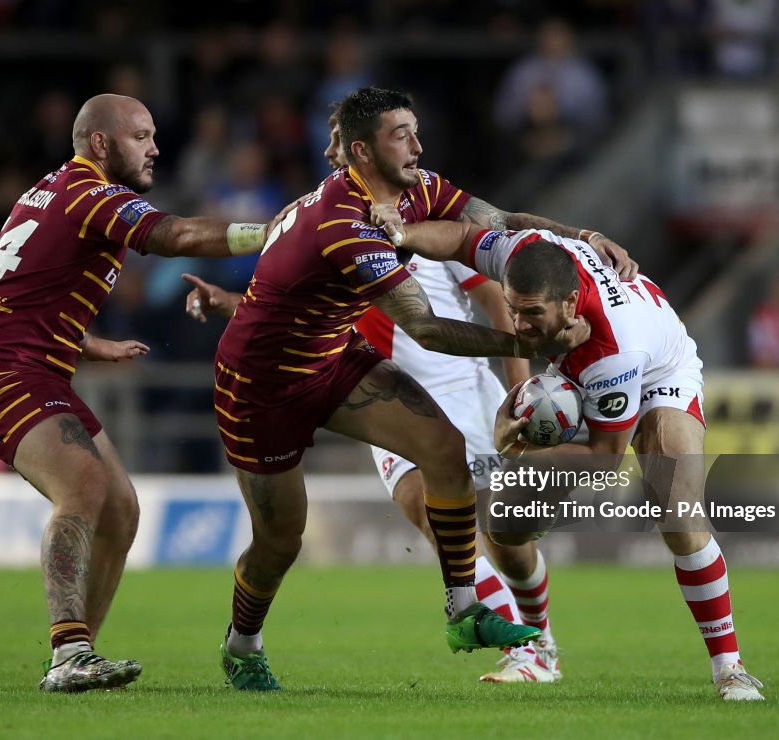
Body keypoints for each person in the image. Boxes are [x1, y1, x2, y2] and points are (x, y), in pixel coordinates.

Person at [185, 99, 636, 683]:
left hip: (339, 358)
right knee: (280, 540)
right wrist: (534, 348)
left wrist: (581, 235)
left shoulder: (420, 191)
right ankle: (243, 645)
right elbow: (423, 327)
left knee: (443, 452)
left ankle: (467, 611)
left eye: (416, 133)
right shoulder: (343, 223)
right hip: (261, 385)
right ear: (362, 151)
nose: (418, 147)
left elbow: (497, 221)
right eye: (402, 136)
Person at [0, 94, 272, 693]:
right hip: (2, 375)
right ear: (101, 143)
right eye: (141, 136)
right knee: (85, 485)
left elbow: (19, 287)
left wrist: (87, 343)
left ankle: (74, 657)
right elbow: (172, 235)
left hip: (31, 368)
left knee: (120, 511)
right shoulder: (90, 193)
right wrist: (270, 231)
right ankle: (68, 649)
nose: (155, 147)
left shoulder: (48, 192)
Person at [376, 215, 766, 702]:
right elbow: (460, 234)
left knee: (676, 510)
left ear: (567, 304)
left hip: (659, 373)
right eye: (515, 309)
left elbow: (604, 458)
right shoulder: (523, 252)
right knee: (505, 525)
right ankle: (538, 648)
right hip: (586, 368)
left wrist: (518, 447)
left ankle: (730, 669)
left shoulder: (611, 352)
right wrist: (401, 235)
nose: (519, 324)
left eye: (531, 313)